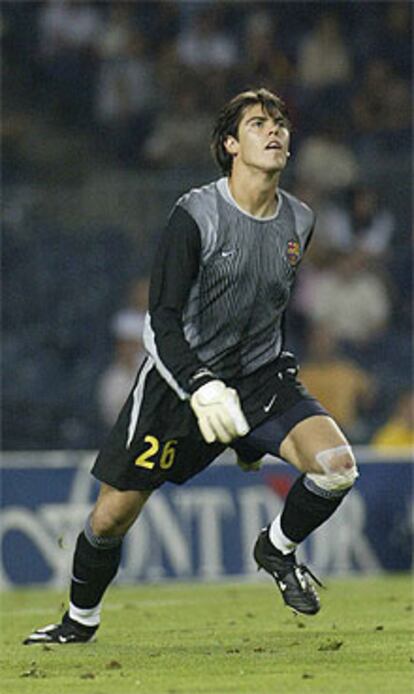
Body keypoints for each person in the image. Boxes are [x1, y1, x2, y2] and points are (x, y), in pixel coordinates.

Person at [24, 88, 358, 645]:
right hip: (180, 384)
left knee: (337, 465)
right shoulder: (195, 214)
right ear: (230, 144)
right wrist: (201, 385)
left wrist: (252, 436)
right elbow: (161, 320)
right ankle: (79, 620)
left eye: (280, 123)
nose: (274, 131)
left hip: (259, 375)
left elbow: (269, 310)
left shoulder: (300, 220)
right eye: (257, 123)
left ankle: (275, 548)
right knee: (110, 518)